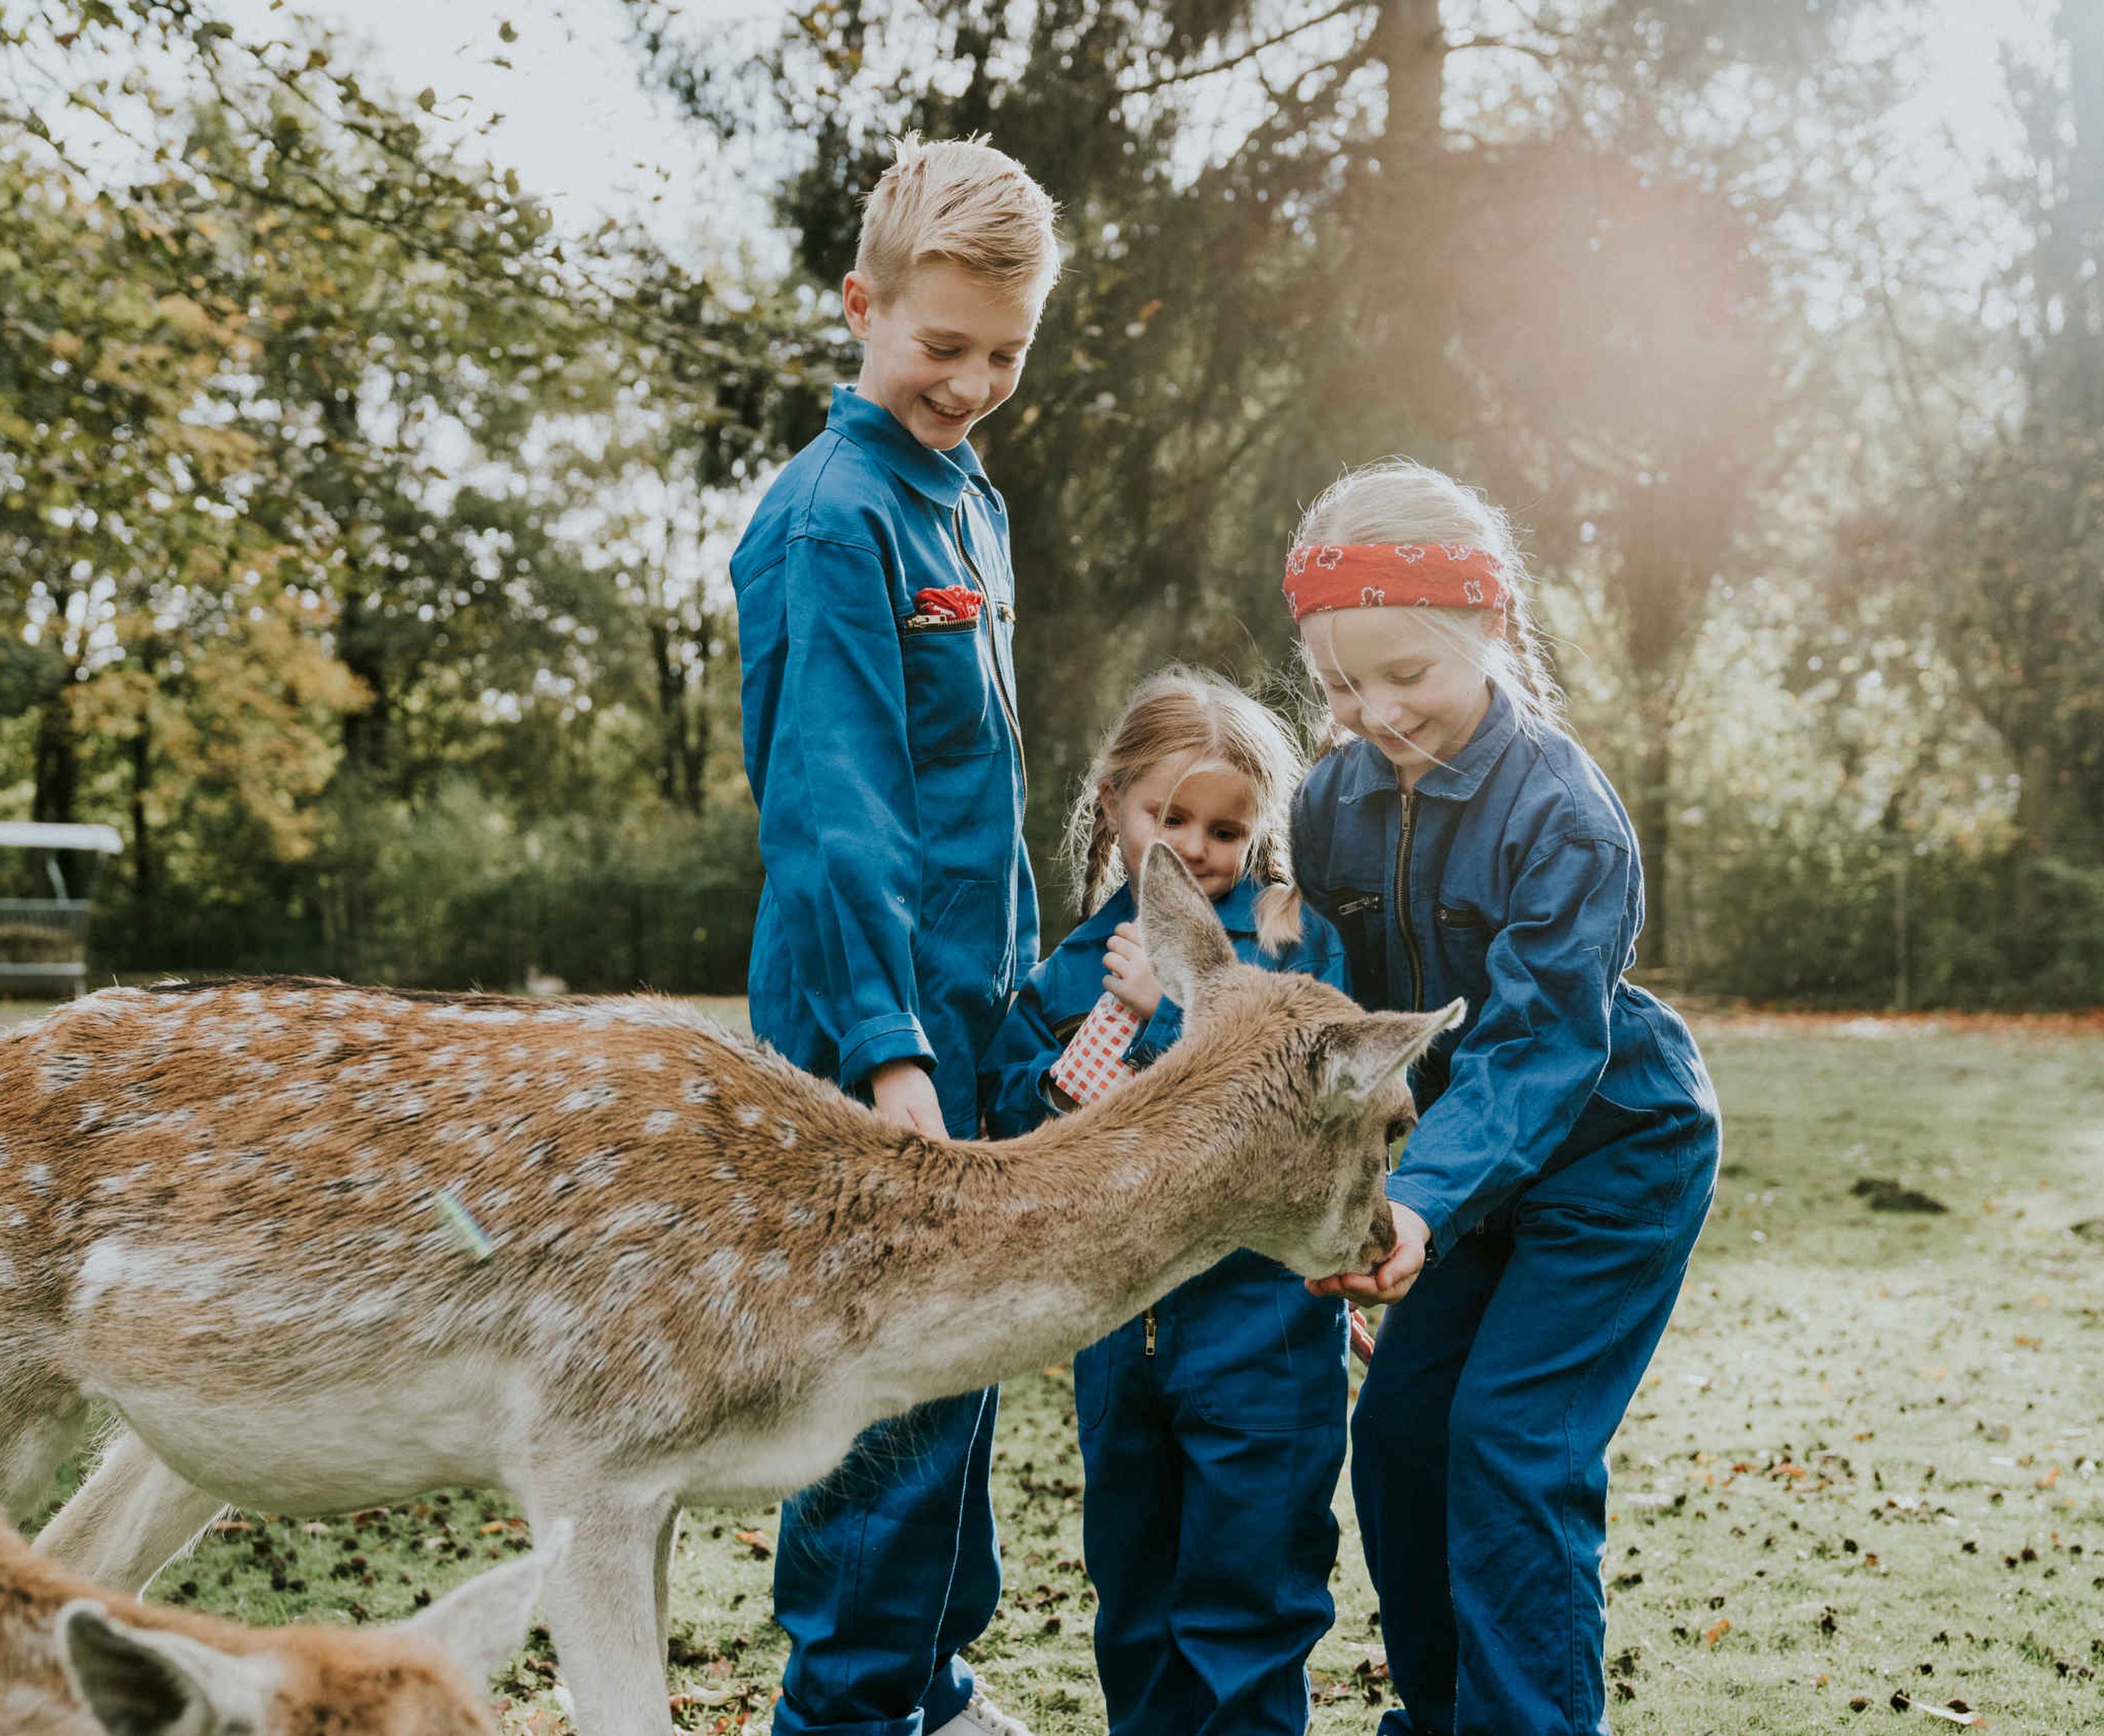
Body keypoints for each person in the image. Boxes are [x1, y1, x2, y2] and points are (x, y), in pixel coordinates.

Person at [1285, 459, 1722, 1736]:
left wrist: (1420, 1204)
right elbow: (1334, 1020)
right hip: (1452, 1186)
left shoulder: (1563, 814)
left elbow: (1537, 1048)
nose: (1374, 711)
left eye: (1405, 673)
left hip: (1611, 1160)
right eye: (1340, 685)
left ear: (1488, 625)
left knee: (1511, 1445)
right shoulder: (1328, 806)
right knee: (1403, 1442)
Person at [728, 134, 1062, 1736]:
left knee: (959, 1384)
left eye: (1008, 354)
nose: (974, 383)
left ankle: (930, 1690)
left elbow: (980, 804)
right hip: (873, 1049)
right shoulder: (831, 519)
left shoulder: (967, 503)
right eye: (945, 346)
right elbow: (834, 811)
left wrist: (1036, 1010)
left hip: (976, 1029)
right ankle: (848, 1715)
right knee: (879, 1412)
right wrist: (891, 1055)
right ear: (862, 307)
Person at [981, 667, 1354, 1736]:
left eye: (1226, 829)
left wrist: (1178, 1008)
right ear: (1113, 805)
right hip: (1119, 1337)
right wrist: (1088, 1054)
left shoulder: (1291, 942)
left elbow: (1303, 1102)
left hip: (1261, 1335)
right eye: (1170, 818)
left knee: (1252, 1596)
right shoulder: (1072, 967)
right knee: (1136, 1599)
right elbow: (1021, 1112)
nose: (1196, 848)